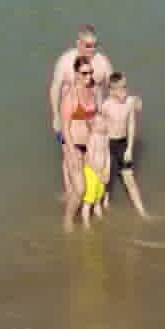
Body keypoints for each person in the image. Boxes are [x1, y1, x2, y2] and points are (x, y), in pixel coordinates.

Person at [98, 69, 150, 218]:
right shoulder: (106, 106)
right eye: (121, 87)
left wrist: (129, 148)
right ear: (112, 90)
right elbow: (99, 127)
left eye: (126, 86)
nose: (125, 90)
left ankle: (142, 212)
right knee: (107, 177)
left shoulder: (129, 102)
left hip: (123, 144)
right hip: (108, 143)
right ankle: (104, 204)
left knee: (129, 179)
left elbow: (131, 125)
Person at [60, 56, 101, 231]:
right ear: (76, 73)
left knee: (91, 185)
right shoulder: (70, 96)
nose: (88, 76)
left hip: (89, 146)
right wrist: (71, 151)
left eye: (90, 72)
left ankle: (85, 218)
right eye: (84, 73)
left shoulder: (92, 90)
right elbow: (65, 128)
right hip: (74, 146)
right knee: (80, 188)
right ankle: (67, 222)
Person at [49, 25, 112, 136]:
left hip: (94, 116)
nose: (93, 49)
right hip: (72, 117)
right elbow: (55, 88)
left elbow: (113, 87)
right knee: (70, 151)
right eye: (88, 46)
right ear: (78, 43)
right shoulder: (65, 61)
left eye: (95, 45)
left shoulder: (102, 62)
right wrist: (56, 116)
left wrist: (127, 103)